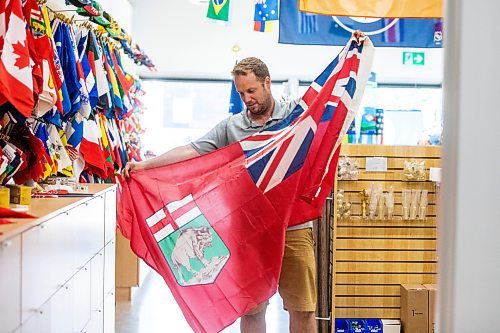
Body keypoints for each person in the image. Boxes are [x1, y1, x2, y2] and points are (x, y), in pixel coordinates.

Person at [123, 31, 365, 333]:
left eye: (251, 91)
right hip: (249, 232)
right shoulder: (232, 126)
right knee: (251, 310)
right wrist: (145, 165)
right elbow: (191, 150)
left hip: (293, 229)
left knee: (303, 309)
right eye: (241, 94)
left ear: (267, 82)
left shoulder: (295, 115)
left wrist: (352, 51)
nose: (247, 99)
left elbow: (333, 103)